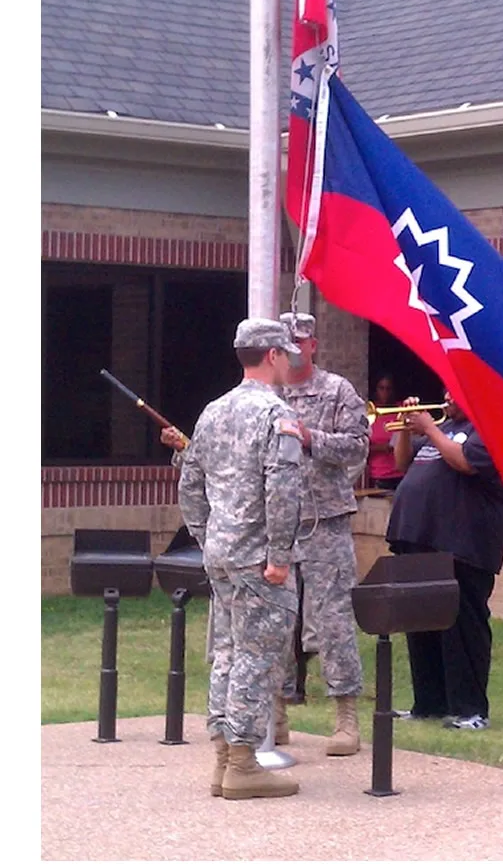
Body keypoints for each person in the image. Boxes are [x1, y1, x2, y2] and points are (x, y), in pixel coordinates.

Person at [177, 317, 304, 800]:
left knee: (228, 654)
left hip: (222, 555)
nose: (289, 361)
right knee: (257, 658)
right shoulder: (277, 414)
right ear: (271, 355)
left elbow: (190, 483)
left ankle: (223, 760)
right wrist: (279, 554)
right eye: (285, 353)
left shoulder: (213, 412)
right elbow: (283, 486)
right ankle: (244, 763)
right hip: (258, 559)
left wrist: (208, 536)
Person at [386, 388, 503, 730]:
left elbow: (465, 462)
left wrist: (429, 428)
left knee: (463, 628)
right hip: (419, 537)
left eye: (454, 394)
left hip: (463, 544)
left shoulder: (487, 430)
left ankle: (472, 710)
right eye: (444, 394)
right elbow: (401, 463)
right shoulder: (440, 432)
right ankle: (429, 703)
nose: (446, 400)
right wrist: (402, 428)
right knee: (421, 623)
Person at [273, 311, 370, 756]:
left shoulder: (336, 391)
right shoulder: (263, 393)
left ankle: (345, 717)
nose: (294, 352)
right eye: (286, 345)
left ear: (313, 344)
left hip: (326, 522)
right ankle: (275, 712)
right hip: (277, 523)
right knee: (275, 620)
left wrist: (312, 438)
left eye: (301, 343)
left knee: (333, 621)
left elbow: (358, 445)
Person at [366, 373, 406, 491]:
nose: (385, 392)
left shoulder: (401, 408)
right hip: (380, 474)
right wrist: (382, 448)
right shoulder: (370, 413)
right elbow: (360, 447)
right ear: (375, 390)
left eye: (388, 389)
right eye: (381, 388)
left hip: (402, 473)